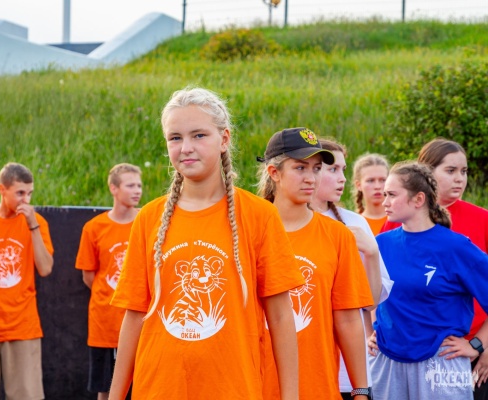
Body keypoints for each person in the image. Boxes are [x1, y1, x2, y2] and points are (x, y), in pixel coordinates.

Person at [108, 87, 303, 400]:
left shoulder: (259, 215)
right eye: (175, 138)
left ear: (224, 139)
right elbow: (134, 316)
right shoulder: (149, 218)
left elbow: (280, 318)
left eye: (199, 135)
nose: (186, 148)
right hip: (158, 389)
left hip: (234, 390)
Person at [258, 128, 374, 400]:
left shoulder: (337, 235)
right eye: (300, 168)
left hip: (317, 388)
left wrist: (361, 390)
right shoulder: (249, 231)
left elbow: (348, 320)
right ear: (275, 173)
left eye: (317, 168)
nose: (311, 178)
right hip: (254, 387)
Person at [368, 161, 488, 400]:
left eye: (392, 194)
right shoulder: (381, 243)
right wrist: (373, 330)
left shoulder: (455, 247)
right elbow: (371, 296)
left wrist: (477, 345)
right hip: (387, 361)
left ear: (418, 199)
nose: (384, 202)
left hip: (440, 363)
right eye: (384, 195)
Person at [311, 138, 393, 399]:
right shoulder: (277, 221)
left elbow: (370, 302)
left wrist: (372, 253)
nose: (342, 178)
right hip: (300, 361)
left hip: (346, 371)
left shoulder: (353, 223)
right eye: (333, 169)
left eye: (343, 170)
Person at [0, 162, 53, 400]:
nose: (26, 200)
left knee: (26, 395)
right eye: (20, 193)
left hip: (22, 326)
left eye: (29, 193)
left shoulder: (37, 223)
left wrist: (33, 226)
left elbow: (45, 268)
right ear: (2, 190)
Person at [75, 163, 142, 400]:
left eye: (139, 185)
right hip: (103, 325)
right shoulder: (94, 228)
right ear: (114, 188)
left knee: (141, 386)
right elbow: (89, 276)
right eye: (130, 185)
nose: (137, 190)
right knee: (105, 388)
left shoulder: (146, 221)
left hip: (140, 324)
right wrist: (111, 296)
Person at [351, 153, 390, 235]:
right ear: (358, 185)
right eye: (370, 181)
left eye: (383, 180)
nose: (377, 186)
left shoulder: (402, 221)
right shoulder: (352, 224)